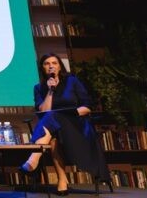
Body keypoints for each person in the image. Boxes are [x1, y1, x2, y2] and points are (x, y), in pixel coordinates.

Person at [19, 53, 111, 196]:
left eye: (54, 63)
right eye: (47, 64)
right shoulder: (39, 88)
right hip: (56, 128)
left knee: (54, 116)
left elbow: (87, 107)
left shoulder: (72, 81)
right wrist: (50, 91)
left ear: (60, 66)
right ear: (42, 68)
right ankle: (62, 180)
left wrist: (68, 114)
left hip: (77, 125)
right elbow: (43, 111)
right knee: (53, 132)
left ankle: (34, 158)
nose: (51, 66)